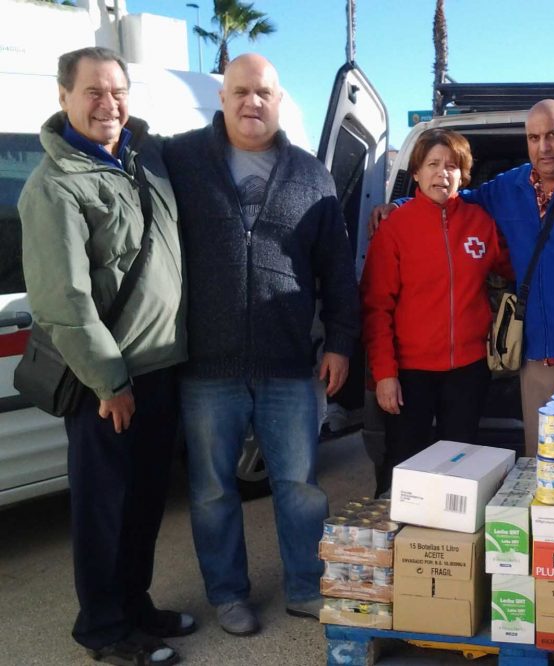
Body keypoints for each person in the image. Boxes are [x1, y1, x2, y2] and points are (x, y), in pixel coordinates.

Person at [163, 53, 359, 636]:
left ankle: (304, 586)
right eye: (241, 91)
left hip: (289, 363)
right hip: (207, 365)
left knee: (299, 486)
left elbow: (338, 269)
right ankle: (228, 594)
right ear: (222, 98)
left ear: (278, 101)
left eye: (264, 93)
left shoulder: (310, 175)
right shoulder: (181, 159)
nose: (253, 102)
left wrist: (341, 341)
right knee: (213, 490)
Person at [18, 47, 194, 666]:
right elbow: (64, 302)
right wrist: (109, 382)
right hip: (110, 384)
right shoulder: (54, 186)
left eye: (117, 90)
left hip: (162, 369)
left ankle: (134, 605)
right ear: (64, 96)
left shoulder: (144, 163)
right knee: (103, 511)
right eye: (93, 91)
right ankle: (103, 628)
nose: (107, 103)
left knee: (144, 503)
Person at [376, 100, 554, 456]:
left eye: (553, 135)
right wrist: (400, 205)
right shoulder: (511, 186)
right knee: (543, 465)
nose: (544, 146)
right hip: (535, 358)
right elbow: (455, 197)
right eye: (534, 137)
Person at [362, 129, 512, 495]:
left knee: (459, 469)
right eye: (432, 164)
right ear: (416, 173)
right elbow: (376, 308)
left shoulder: (481, 223)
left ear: (463, 175)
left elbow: (517, 271)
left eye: (451, 166)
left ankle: (451, 549)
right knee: (401, 468)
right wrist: (384, 374)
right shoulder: (394, 228)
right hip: (408, 373)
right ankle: (391, 544)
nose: (441, 173)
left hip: (468, 369)